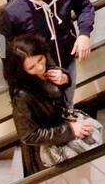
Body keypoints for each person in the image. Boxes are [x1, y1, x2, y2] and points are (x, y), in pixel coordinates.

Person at [0, 0, 95, 94]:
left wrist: (84, 34)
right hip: (36, 73)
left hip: (67, 60)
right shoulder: (12, 11)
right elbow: (3, 47)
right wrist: (17, 78)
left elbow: (84, 6)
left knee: (68, 98)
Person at [5, 34, 98, 175]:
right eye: (31, 67)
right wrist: (70, 131)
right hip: (45, 151)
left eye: (40, 60)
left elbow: (58, 89)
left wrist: (65, 78)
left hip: (61, 129)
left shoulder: (45, 62)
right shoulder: (22, 95)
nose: (40, 67)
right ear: (22, 70)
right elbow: (28, 135)